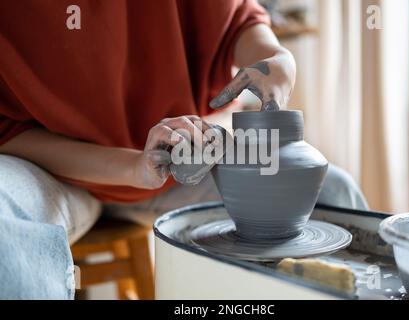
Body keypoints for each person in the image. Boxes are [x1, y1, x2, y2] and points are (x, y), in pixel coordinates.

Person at [0, 0, 367, 299]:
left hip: (178, 163)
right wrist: (131, 167)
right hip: (51, 166)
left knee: (333, 193)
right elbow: (6, 129)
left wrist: (276, 57)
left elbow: (238, 21)